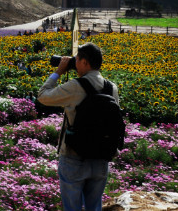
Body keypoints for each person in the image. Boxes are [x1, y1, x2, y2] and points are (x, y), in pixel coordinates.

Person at [37, 42, 119, 211]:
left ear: (84, 63)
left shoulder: (75, 86)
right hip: (102, 157)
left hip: (74, 157)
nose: (74, 63)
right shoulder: (112, 88)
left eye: (77, 59)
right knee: (94, 207)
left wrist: (58, 71)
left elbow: (43, 96)